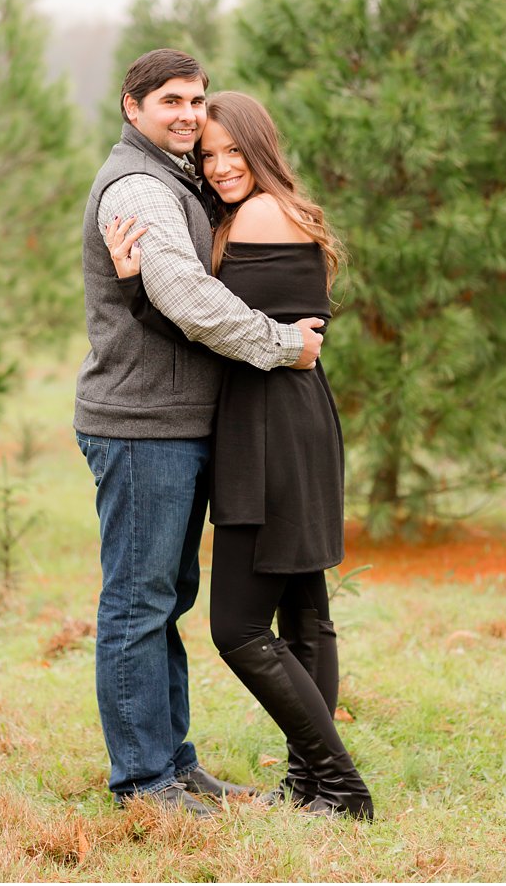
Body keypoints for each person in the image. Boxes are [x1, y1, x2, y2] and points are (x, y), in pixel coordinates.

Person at [104, 91, 373, 819]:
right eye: (209, 152)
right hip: (291, 418)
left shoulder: (257, 216)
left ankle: (341, 786)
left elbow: (210, 326)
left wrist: (136, 291)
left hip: (270, 430)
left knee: (239, 627)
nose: (220, 166)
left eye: (234, 151)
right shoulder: (278, 209)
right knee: (304, 613)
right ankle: (311, 785)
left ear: (262, 149)